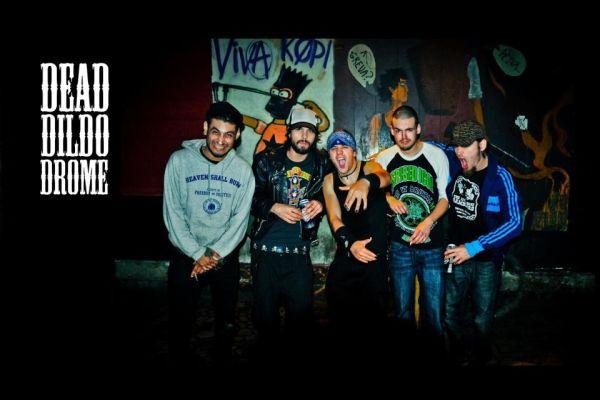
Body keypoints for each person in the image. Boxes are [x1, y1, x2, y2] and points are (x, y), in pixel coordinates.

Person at [163, 101, 255, 368]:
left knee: (226, 320)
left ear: (238, 135)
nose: (221, 140)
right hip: (186, 255)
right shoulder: (179, 162)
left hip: (223, 257)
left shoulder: (243, 171)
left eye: (229, 134)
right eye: (216, 132)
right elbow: (173, 214)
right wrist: (197, 253)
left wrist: (212, 255)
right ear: (205, 128)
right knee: (180, 319)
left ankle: (222, 360)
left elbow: (240, 222)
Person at [436, 120, 522, 366]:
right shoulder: (455, 160)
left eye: (465, 145)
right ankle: (460, 354)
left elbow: (515, 222)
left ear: (482, 145)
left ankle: (481, 357)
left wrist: (474, 247)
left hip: (485, 261)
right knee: (450, 313)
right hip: (455, 256)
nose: (459, 151)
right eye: (456, 145)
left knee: (481, 318)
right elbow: (429, 146)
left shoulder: (501, 177)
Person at [249, 104, 330, 364]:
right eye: (298, 129)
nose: (304, 135)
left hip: (299, 254)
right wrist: (274, 207)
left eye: (310, 131)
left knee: (301, 323)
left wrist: (322, 203)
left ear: (316, 135)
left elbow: (334, 191)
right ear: (289, 132)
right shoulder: (267, 160)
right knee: (265, 323)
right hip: (266, 252)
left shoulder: (322, 163)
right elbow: (251, 198)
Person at [375, 105, 450, 361]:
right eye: (398, 130)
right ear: (391, 131)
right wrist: (387, 197)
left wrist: (429, 221)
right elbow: (372, 188)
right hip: (400, 246)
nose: (404, 136)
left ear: (418, 129)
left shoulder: (436, 155)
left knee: (434, 314)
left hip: (432, 247)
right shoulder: (384, 158)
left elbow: (445, 198)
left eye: (409, 130)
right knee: (402, 313)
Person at [322, 129, 391, 362]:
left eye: (344, 147)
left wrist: (365, 183)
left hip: (374, 260)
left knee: (373, 323)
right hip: (348, 253)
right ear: (330, 155)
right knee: (340, 315)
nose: (339, 152)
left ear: (354, 152)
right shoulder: (329, 180)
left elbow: (386, 177)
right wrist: (350, 244)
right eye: (334, 149)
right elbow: (334, 218)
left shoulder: (368, 167)